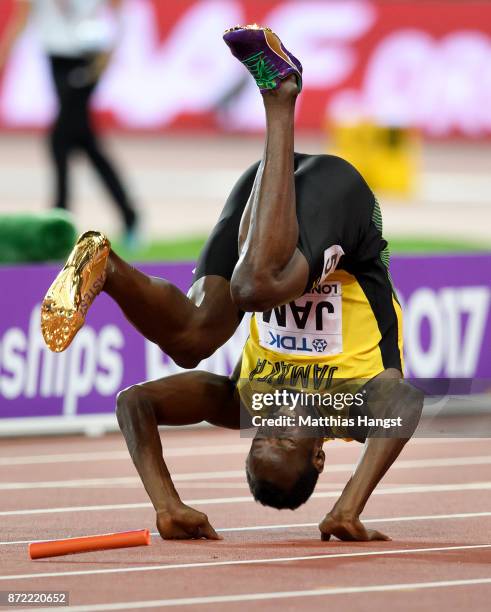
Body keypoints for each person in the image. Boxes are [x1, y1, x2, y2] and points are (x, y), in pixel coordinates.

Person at [40, 25, 423, 542]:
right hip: (342, 205)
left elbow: (136, 402)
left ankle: (105, 266)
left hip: (266, 199)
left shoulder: (249, 402)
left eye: (258, 436)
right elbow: (405, 401)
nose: (271, 421)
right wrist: (347, 507)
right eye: (282, 438)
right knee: (255, 288)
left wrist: (166, 503)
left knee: (192, 340)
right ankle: (280, 94)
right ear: (318, 452)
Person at [0, 0, 138, 241]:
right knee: (85, 141)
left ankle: (59, 221)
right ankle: (129, 216)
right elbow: (21, 19)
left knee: (59, 139)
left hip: (87, 57)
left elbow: (120, 13)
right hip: (56, 60)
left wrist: (111, 51)